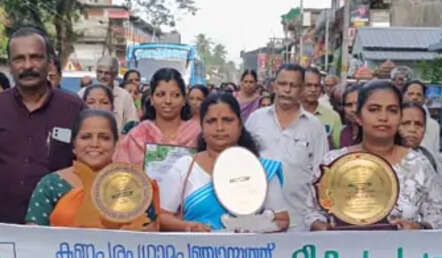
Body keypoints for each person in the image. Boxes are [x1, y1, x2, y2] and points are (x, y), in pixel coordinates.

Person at [0, 27, 83, 224]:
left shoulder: (73, 108)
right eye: (19, 59)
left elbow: (86, 168)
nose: (28, 65)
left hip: (60, 229)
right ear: (10, 65)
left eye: (36, 57)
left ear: (49, 63)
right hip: (2, 227)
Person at [307, 81, 442, 231]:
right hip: (344, 252)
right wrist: (319, 226)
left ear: (400, 117)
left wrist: (419, 227)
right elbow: (311, 211)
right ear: (358, 117)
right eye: (374, 109)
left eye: (392, 110)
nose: (383, 117)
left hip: (403, 252)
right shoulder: (332, 162)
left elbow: (438, 215)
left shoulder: (418, 165)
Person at [158, 92, 288, 232]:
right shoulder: (185, 167)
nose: (219, 128)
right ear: (201, 126)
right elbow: (161, 217)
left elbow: (282, 220)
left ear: (239, 125)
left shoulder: (262, 169)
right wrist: (188, 227)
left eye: (227, 120)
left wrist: (254, 226)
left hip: (250, 251)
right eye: (211, 121)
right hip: (196, 250)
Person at [26, 108, 157, 228]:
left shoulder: (134, 184)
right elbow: (33, 239)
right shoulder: (51, 184)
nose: (94, 144)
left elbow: (150, 238)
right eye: (86, 137)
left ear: (116, 144)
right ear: (74, 145)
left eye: (104, 138)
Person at [245, 64, 329, 232]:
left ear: (302, 89)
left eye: (294, 85)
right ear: (274, 86)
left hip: (300, 222)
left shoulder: (314, 127)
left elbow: (322, 174)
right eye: (283, 84)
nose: (287, 90)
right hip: (257, 220)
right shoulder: (256, 119)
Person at [114, 68, 201, 166]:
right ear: (151, 99)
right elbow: (121, 174)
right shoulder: (136, 136)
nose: (168, 101)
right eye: (160, 95)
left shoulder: (198, 135)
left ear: (184, 100)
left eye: (175, 95)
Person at [401, 80, 442, 190]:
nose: (414, 97)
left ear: (424, 99)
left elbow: (434, 153)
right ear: (403, 95)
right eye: (410, 94)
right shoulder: (394, 121)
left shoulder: (433, 125)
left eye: (419, 94)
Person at [91, 55, 139, 128]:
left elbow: (132, 123)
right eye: (100, 72)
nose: (102, 76)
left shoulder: (124, 96)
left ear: (115, 75)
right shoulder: (85, 93)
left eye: (107, 73)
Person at [302, 67, 342, 148]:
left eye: (316, 85)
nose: (313, 89)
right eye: (308, 85)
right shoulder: (290, 114)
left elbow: (339, 148)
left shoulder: (333, 116)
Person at [337, 83, 361, 149]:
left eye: (357, 104)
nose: (354, 109)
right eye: (349, 105)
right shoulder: (344, 133)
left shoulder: (373, 134)